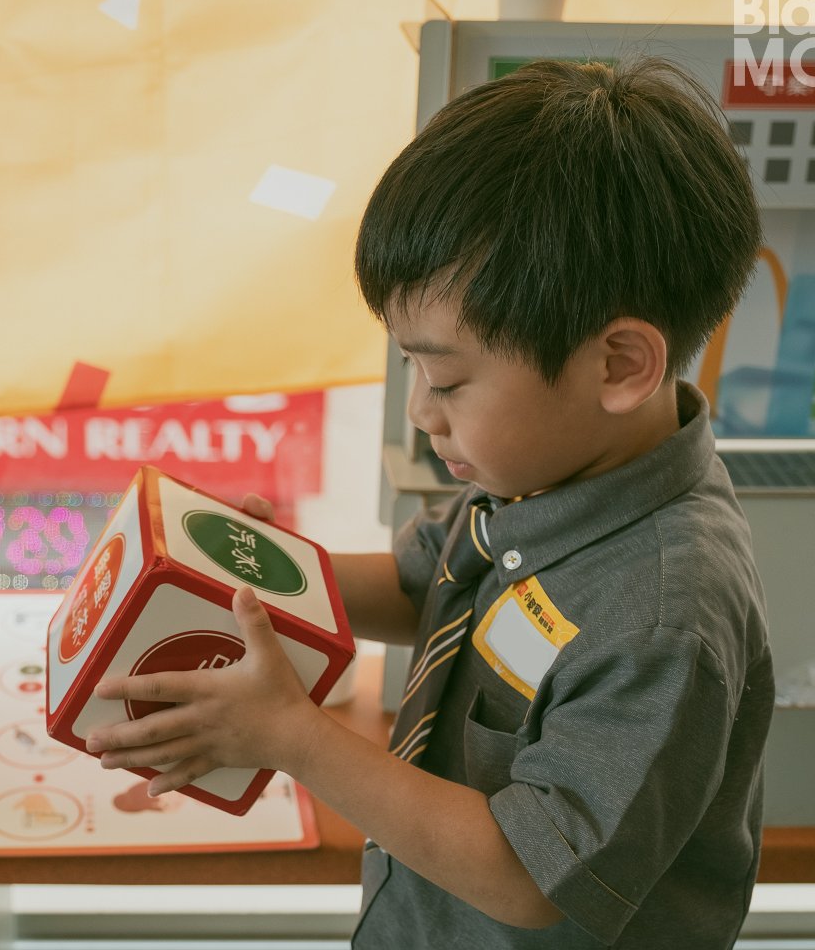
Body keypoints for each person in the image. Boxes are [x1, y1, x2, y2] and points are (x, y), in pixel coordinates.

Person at [88, 57, 774, 948]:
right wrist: (262, 578)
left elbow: (534, 878)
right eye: (412, 366)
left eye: (447, 378)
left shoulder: (662, 613)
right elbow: (427, 588)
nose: (420, 412)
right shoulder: (546, 474)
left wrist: (297, 741)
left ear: (619, 365)